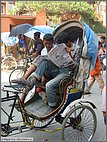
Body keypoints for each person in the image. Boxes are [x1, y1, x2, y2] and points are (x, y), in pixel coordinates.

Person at [11, 33, 75, 108]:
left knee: (49, 85)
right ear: (43, 42)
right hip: (53, 70)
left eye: (50, 43)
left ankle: (52, 107)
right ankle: (21, 100)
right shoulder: (46, 50)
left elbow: (73, 64)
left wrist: (69, 53)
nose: (48, 45)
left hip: (65, 71)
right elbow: (44, 65)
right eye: (46, 43)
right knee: (37, 69)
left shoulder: (70, 48)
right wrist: (43, 77)